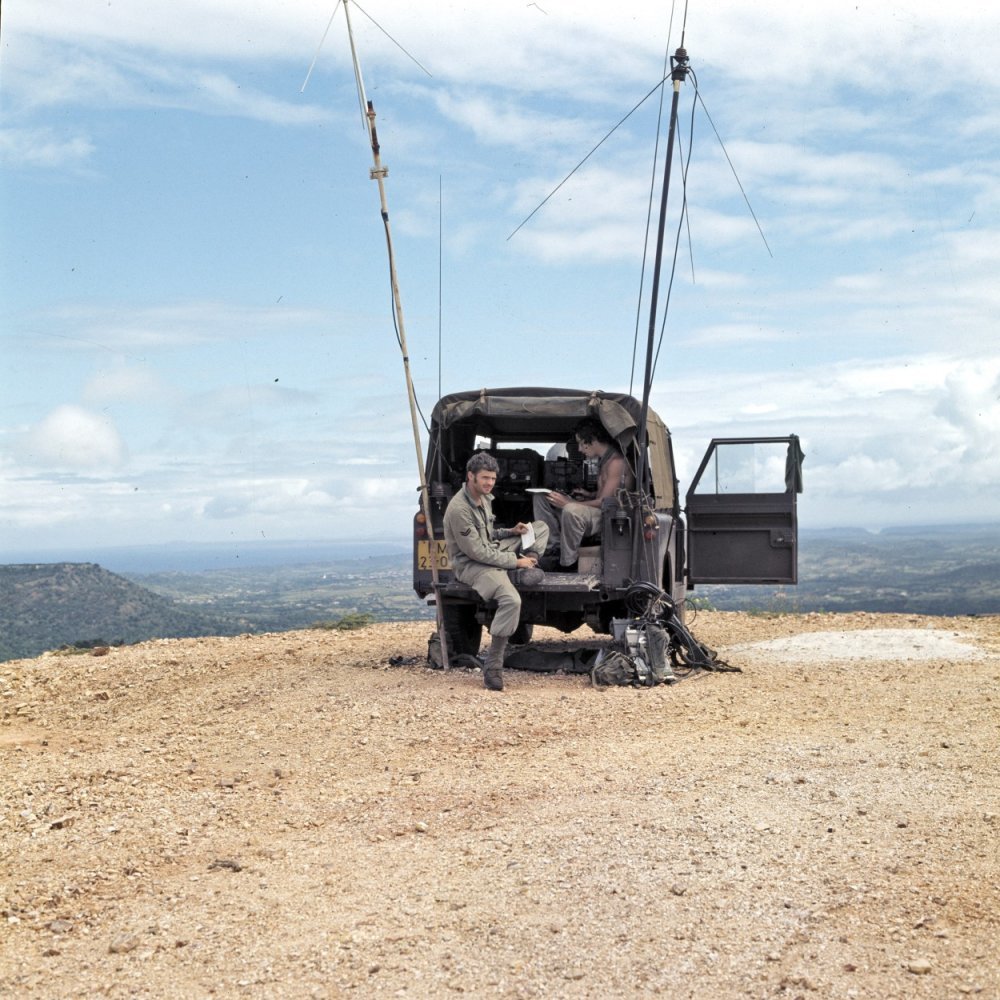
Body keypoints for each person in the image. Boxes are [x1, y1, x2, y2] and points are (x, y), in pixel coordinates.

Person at [443, 452, 550, 691]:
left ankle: (528, 564)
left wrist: (511, 531)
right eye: (484, 478)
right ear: (470, 476)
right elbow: (478, 553)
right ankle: (493, 665)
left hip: (492, 551)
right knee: (512, 600)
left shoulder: (485, 498)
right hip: (474, 565)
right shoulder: (459, 509)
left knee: (540, 528)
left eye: (492, 478)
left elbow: (489, 535)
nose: (490, 483)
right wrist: (514, 561)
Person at [533, 418, 635, 572]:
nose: (580, 449)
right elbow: (607, 493)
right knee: (541, 498)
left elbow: (605, 502)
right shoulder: (604, 460)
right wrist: (588, 494)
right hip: (596, 510)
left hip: (607, 516)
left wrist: (568, 503)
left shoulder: (616, 462)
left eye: (582, 443)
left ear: (593, 440)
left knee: (571, 510)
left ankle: (567, 562)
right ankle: (553, 549)